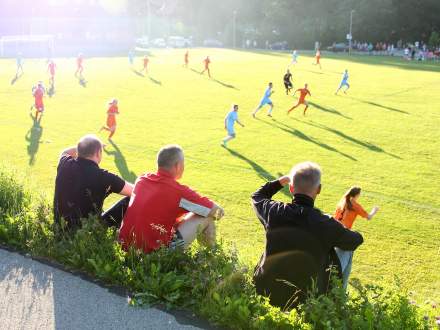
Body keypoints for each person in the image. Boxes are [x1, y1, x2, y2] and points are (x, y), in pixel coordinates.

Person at [251, 162, 363, 309]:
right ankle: (338, 304)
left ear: (291, 188)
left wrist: (280, 181)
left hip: (265, 291)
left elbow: (257, 196)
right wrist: (336, 227)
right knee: (346, 248)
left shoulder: (274, 211)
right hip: (306, 302)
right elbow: (356, 240)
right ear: (319, 189)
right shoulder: (326, 223)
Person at [119, 145, 225, 253]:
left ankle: (209, 258)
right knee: (207, 217)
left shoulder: (142, 179)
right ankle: (210, 259)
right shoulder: (179, 191)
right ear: (178, 166)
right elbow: (217, 212)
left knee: (198, 213)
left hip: (125, 247)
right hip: (154, 255)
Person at [53, 134, 133, 230]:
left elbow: (65, 152)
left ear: (79, 151)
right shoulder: (105, 177)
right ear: (98, 153)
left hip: (60, 228)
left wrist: (86, 147)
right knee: (129, 200)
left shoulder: (65, 163)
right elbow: (135, 191)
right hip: (88, 232)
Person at [333, 186, 379, 290]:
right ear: (357, 195)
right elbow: (368, 217)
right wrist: (374, 210)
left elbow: (335, 217)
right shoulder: (355, 205)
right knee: (343, 268)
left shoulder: (342, 202)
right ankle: (340, 291)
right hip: (344, 236)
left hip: (335, 232)